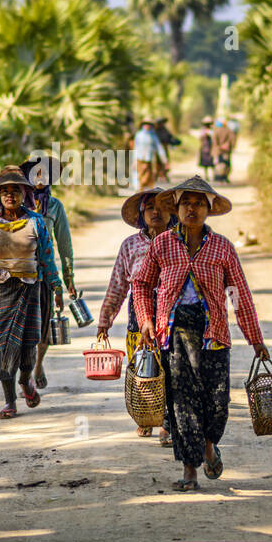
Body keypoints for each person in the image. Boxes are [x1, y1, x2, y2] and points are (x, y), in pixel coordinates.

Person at [132, 176, 269, 491]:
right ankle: (189, 470)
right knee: (182, 404)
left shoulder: (222, 248)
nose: (191, 209)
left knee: (217, 402)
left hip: (214, 335)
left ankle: (209, 445)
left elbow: (239, 295)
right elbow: (140, 284)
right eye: (185, 203)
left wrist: (255, 339)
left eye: (198, 204)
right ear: (177, 208)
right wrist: (145, 320)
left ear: (208, 210)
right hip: (174, 334)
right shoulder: (162, 244)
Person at [0, 166, 64, 419]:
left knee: (28, 344)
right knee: (2, 347)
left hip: (30, 289)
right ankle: (9, 401)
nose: (10, 196)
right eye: (4, 191)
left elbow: (47, 257)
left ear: (25, 194)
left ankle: (25, 380)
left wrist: (57, 288)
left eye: (15, 191)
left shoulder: (35, 222)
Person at [97, 185, 175, 442]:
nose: (156, 212)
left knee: (168, 369)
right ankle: (144, 417)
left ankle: (166, 421)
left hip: (170, 315)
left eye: (163, 207)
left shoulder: (178, 242)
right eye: (150, 207)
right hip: (138, 315)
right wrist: (105, 319)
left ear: (172, 212)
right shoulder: (130, 245)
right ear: (142, 213)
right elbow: (118, 284)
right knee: (143, 368)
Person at [20, 153, 75, 389]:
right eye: (36, 173)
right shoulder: (16, 203)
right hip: (18, 274)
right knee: (21, 329)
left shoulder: (54, 206)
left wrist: (68, 277)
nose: (40, 178)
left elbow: (64, 244)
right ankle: (24, 374)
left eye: (45, 173)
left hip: (45, 274)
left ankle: (38, 364)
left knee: (43, 325)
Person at [132, 118, 166, 191]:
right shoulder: (138, 135)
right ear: (142, 125)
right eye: (145, 124)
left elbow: (159, 147)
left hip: (149, 160)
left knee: (148, 177)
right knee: (139, 176)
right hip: (139, 159)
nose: (147, 126)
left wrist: (164, 160)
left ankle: (145, 191)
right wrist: (134, 160)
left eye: (148, 124)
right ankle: (139, 190)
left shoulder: (153, 136)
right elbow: (135, 148)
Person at [153, 117, 180, 184]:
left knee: (165, 162)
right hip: (156, 149)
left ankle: (165, 176)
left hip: (164, 148)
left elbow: (170, 138)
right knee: (157, 163)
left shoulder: (165, 130)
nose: (162, 124)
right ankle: (156, 176)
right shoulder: (155, 131)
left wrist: (175, 142)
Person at [211, 119, 235, 184]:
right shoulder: (229, 131)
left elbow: (214, 141)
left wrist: (218, 147)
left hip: (217, 151)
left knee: (217, 164)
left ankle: (218, 177)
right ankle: (225, 177)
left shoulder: (216, 131)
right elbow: (232, 140)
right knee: (227, 164)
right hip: (226, 151)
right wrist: (231, 148)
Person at [196, 116, 215, 182]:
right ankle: (207, 176)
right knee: (205, 163)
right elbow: (200, 138)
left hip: (210, 147)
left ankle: (213, 175)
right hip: (204, 147)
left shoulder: (211, 130)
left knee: (212, 162)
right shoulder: (203, 130)